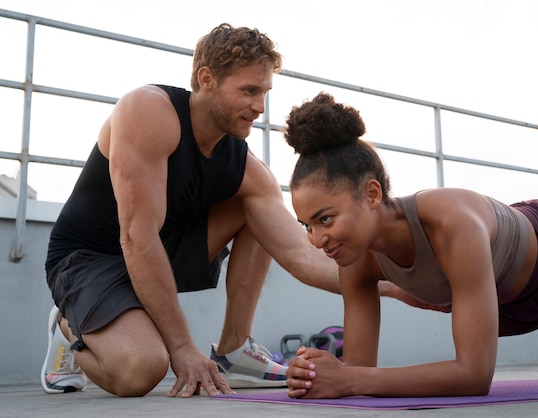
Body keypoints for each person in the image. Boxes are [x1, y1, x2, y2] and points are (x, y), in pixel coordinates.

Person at [40, 24, 415, 399]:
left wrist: (395, 285)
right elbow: (137, 235)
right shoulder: (148, 111)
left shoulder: (249, 170)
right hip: (89, 259)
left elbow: (301, 256)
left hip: (159, 252)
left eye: (264, 92)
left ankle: (234, 353)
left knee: (252, 208)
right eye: (249, 91)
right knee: (143, 369)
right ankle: (68, 326)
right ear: (207, 80)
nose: (260, 107)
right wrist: (183, 347)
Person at [283, 92, 538, 399]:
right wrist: (320, 371)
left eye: (325, 219)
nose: (316, 239)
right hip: (514, 302)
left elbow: (473, 376)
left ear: (372, 194)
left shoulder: (449, 223)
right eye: (307, 225)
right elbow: (357, 366)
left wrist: (350, 381)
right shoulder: (356, 261)